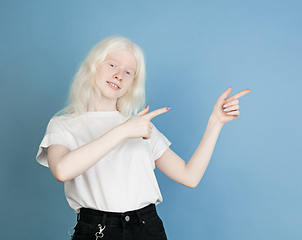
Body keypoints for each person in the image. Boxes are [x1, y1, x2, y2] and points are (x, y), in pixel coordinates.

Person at [36, 36, 250, 240]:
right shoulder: (63, 125)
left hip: (146, 228)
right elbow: (62, 171)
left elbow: (189, 177)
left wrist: (216, 122)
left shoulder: (141, 125)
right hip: (96, 230)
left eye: (129, 72)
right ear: (93, 66)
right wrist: (123, 131)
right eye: (112, 65)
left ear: (132, 83)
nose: (120, 75)